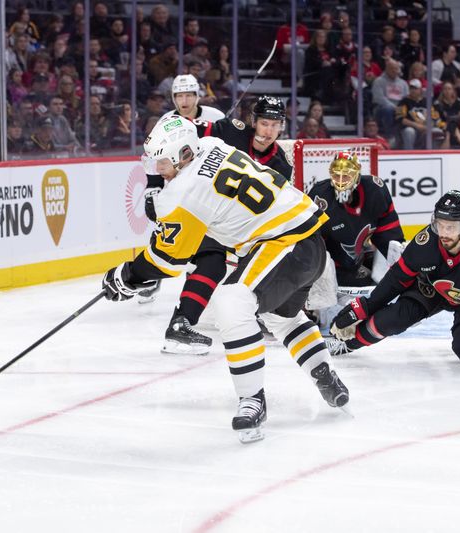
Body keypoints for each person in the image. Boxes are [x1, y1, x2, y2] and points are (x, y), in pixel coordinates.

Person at [102, 115, 349, 442]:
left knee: (231, 302)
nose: (157, 168)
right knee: (280, 316)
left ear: (183, 154)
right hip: (308, 243)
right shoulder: (213, 145)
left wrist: (125, 276)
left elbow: (167, 259)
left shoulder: (182, 192)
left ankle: (252, 401)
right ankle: (324, 375)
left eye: (162, 160)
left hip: (285, 243)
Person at [142, 96, 293, 355]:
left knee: (241, 262)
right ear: (254, 121)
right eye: (264, 123)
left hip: (236, 225)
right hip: (198, 207)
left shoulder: (282, 164)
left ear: (281, 128)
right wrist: (154, 185)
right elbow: (172, 140)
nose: (268, 131)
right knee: (211, 260)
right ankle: (180, 321)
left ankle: (245, 310)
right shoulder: (230, 130)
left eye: (274, 125)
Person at [325, 191, 460, 378]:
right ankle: (349, 343)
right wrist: (365, 306)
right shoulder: (425, 243)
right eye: (440, 225)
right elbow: (396, 280)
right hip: (431, 289)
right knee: (390, 320)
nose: (443, 233)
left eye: (450, 227)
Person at [305, 153, 405, 330]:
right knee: (318, 256)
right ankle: (314, 308)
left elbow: (388, 234)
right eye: (337, 175)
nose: (341, 180)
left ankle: (402, 299)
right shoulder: (320, 196)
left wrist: (401, 267)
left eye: (347, 175)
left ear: (357, 175)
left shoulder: (375, 190)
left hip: (356, 263)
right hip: (329, 269)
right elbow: (308, 244)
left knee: (397, 249)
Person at [160, 73, 224, 122]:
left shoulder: (215, 116)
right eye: (180, 96)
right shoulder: (165, 120)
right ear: (174, 99)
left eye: (188, 96)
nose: (184, 101)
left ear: (196, 97)